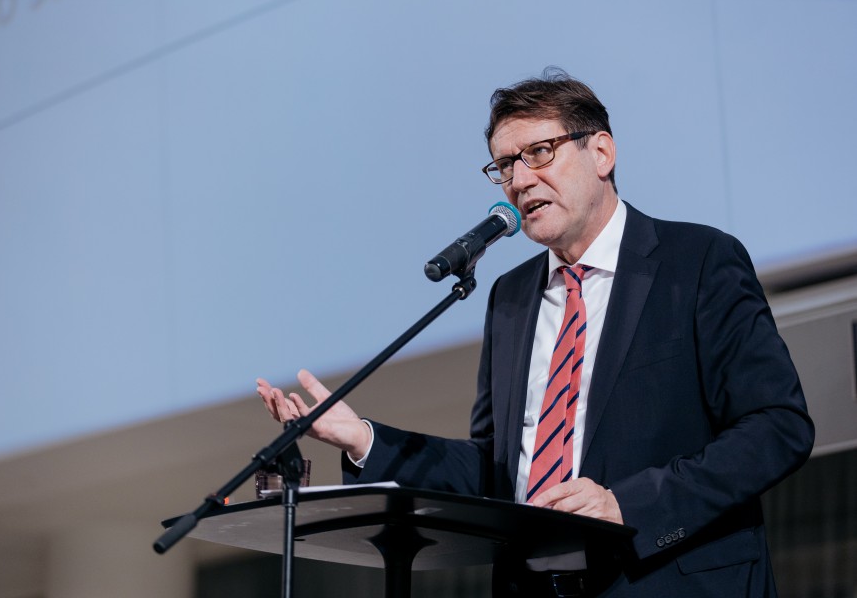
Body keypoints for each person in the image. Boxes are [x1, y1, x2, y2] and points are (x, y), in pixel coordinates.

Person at [257, 68, 814, 597]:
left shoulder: (697, 261)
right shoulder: (511, 297)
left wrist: (628, 504)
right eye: (505, 165)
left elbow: (777, 426)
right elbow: (495, 471)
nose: (520, 180)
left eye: (540, 153)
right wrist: (364, 439)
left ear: (601, 152)